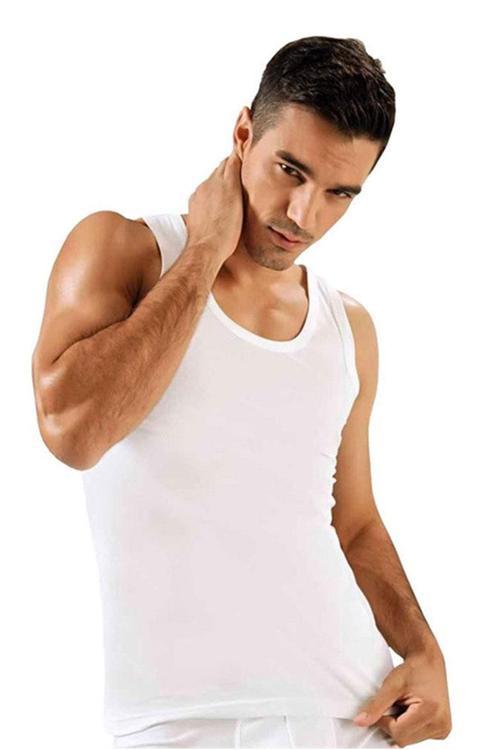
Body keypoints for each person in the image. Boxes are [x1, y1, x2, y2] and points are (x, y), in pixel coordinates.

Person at [31, 36, 452, 749]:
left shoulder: (347, 329)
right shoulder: (127, 251)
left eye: (340, 193)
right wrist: (204, 252)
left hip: (350, 714)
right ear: (243, 134)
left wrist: (424, 651)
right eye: (291, 170)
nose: (304, 214)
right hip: (176, 721)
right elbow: (74, 432)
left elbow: (353, 523)